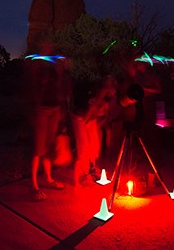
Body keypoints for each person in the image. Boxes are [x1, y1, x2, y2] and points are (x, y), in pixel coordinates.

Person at [25, 40, 71, 201]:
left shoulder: (53, 68)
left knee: (49, 145)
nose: (48, 48)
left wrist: (60, 72)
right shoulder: (36, 66)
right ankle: (33, 185)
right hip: (41, 109)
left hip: (54, 109)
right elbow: (33, 86)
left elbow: (60, 87)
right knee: (38, 147)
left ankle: (48, 178)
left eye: (50, 46)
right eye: (45, 45)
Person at [71, 75, 117, 187]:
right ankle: (77, 179)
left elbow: (103, 114)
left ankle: (91, 171)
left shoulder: (107, 97)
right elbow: (89, 112)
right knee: (83, 148)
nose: (114, 92)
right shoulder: (99, 95)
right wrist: (84, 126)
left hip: (90, 119)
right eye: (112, 90)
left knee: (94, 147)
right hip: (80, 117)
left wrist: (95, 124)